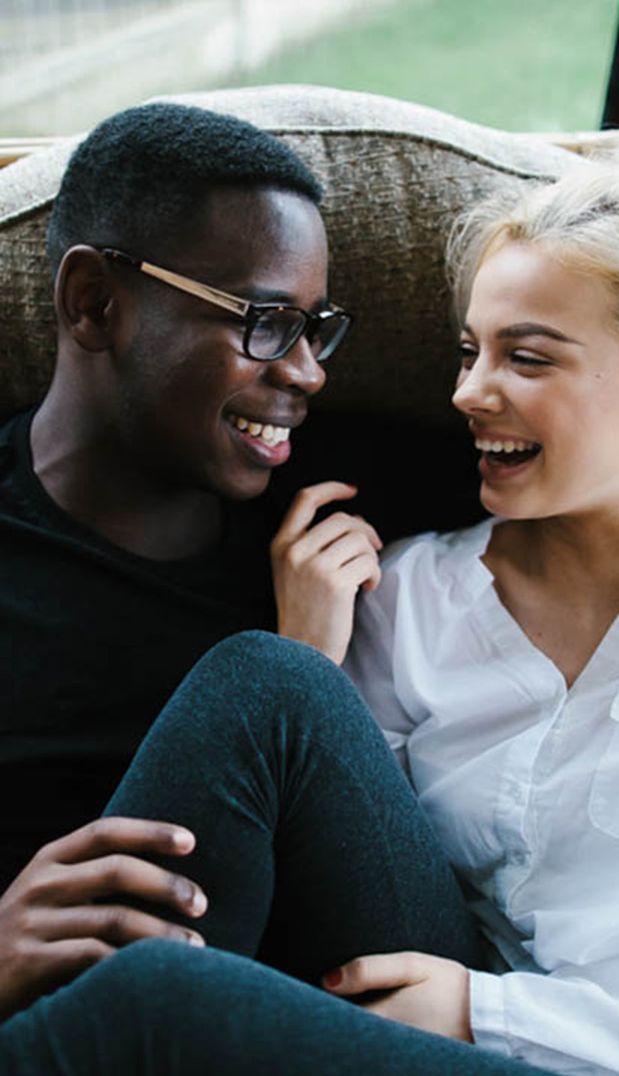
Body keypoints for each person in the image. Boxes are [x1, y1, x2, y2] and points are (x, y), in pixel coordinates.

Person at [0, 103, 551, 1074]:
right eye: (262, 321)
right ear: (92, 300)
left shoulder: (345, 490)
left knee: (273, 683)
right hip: (72, 1028)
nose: (304, 370)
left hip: (347, 1005)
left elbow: (613, 436)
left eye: (316, 329)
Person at [343, 103, 619, 1075]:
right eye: (470, 349)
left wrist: (490, 1010)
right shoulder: (408, 597)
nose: (468, 391)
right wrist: (307, 656)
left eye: (527, 355)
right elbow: (333, 867)